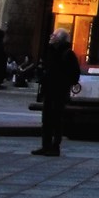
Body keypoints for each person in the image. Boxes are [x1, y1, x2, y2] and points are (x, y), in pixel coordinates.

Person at [35, 28, 80, 156]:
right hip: (49, 90)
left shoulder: (67, 54)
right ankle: (45, 146)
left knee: (56, 119)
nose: (51, 37)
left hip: (59, 91)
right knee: (46, 119)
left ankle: (55, 147)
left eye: (53, 35)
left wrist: (62, 83)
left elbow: (74, 75)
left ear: (59, 39)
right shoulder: (51, 51)